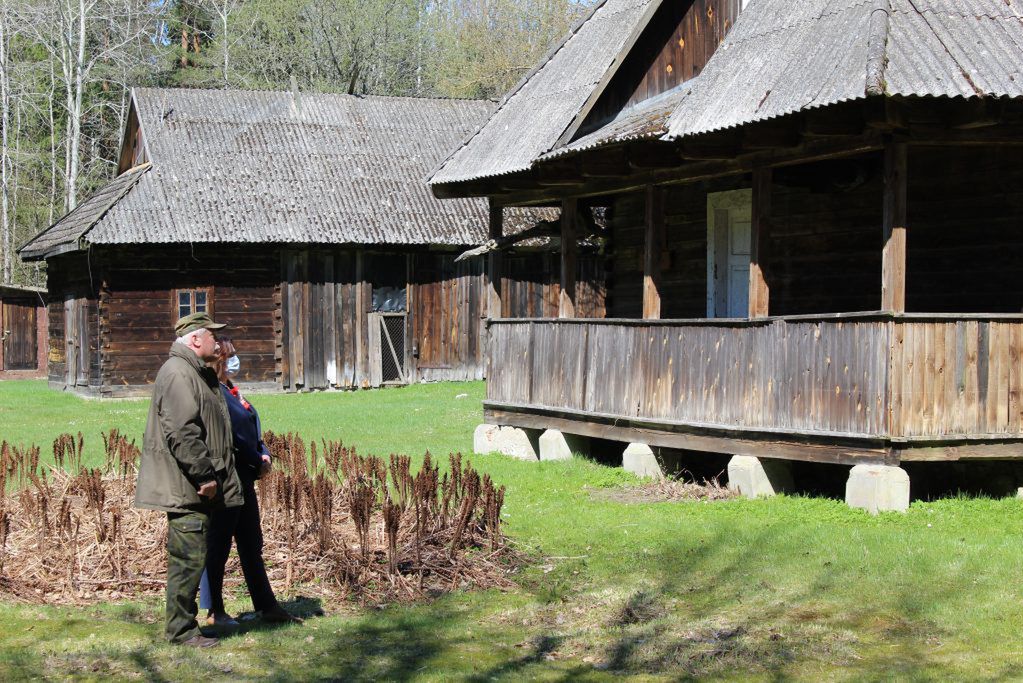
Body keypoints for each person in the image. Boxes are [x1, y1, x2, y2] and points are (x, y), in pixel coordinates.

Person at [134, 312, 245, 648]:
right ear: (196, 339)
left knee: (193, 557)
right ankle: (181, 631)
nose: (218, 341)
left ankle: (184, 627)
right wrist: (205, 476)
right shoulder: (179, 374)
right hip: (187, 487)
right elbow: (183, 432)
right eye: (213, 334)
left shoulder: (195, 373)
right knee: (187, 559)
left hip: (194, 486)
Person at [198, 338, 299, 626]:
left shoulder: (232, 390)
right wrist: (258, 460)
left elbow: (251, 428)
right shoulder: (214, 392)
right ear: (219, 360)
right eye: (230, 357)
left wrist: (263, 454)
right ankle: (214, 610)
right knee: (218, 545)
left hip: (245, 476)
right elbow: (233, 435)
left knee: (251, 542)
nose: (234, 361)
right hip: (228, 477)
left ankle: (267, 605)